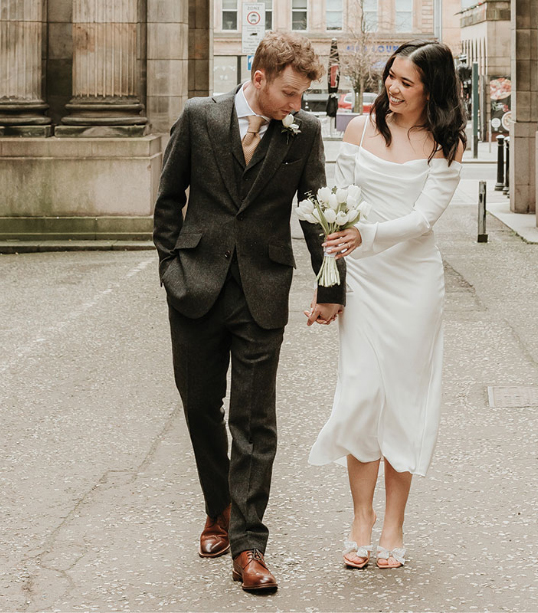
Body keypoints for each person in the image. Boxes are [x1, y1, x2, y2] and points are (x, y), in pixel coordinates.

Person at [152, 32, 346, 593]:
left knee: (254, 419)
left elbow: (314, 210)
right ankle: (219, 508)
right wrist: (170, 267)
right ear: (258, 78)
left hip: (262, 287)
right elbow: (168, 198)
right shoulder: (199, 117)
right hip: (195, 286)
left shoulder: (303, 131)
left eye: (301, 95)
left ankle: (248, 545)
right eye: (289, 93)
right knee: (199, 406)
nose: (297, 105)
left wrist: (330, 287)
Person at [308, 40, 466, 570]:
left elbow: (424, 219)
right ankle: (361, 517)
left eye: (406, 82)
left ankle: (394, 523)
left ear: (430, 90)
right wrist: (329, 289)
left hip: (413, 283)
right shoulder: (358, 129)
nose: (392, 88)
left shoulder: (446, 143)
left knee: (403, 399)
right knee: (362, 395)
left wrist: (367, 235)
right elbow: (337, 211)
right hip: (364, 280)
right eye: (391, 77)